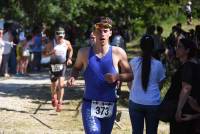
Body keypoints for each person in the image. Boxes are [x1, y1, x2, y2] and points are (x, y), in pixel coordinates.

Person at [67, 16, 131, 134]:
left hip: (110, 105)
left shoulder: (118, 52)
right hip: (89, 104)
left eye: (105, 31)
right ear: (94, 32)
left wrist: (117, 77)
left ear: (110, 33)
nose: (102, 34)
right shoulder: (84, 53)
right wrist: (73, 77)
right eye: (99, 31)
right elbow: (76, 68)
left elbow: (130, 75)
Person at [128, 34, 166, 134]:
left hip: (135, 102)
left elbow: (129, 82)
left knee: (136, 132)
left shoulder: (133, 62)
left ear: (141, 46)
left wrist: (134, 90)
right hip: (153, 103)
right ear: (153, 47)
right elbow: (160, 85)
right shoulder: (158, 64)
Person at [165, 38, 199, 134]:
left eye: (179, 47)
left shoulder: (188, 66)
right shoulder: (193, 65)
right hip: (190, 111)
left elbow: (186, 88)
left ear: (187, 50)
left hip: (184, 111)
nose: (176, 49)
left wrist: (179, 110)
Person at [43, 26, 73, 112]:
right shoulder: (50, 44)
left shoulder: (67, 43)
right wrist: (50, 53)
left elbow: (71, 50)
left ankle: (60, 103)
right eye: (58, 35)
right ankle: (53, 97)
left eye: (62, 35)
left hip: (62, 65)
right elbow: (44, 54)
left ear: (64, 35)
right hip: (53, 66)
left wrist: (69, 58)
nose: (60, 36)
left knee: (61, 84)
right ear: (55, 35)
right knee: (53, 84)